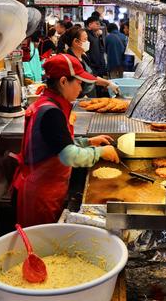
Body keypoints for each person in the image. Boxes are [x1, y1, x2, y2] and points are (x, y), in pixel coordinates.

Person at [9, 54, 120, 227]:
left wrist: (88, 142)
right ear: (63, 81)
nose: (81, 87)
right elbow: (69, 156)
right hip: (40, 195)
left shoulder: (50, 103)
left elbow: (56, 145)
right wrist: (100, 152)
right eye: (78, 82)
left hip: (46, 189)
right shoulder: (51, 111)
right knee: (41, 248)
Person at [61, 26, 119, 97]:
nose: (88, 42)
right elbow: (72, 85)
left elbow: (92, 76)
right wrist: (83, 97)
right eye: (85, 39)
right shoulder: (70, 61)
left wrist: (108, 83)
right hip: (79, 98)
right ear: (76, 42)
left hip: (91, 94)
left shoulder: (83, 56)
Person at [85, 16, 108, 81]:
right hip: (92, 67)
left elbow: (102, 49)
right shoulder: (86, 35)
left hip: (99, 66)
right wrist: (91, 65)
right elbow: (85, 52)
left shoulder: (96, 35)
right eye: (97, 24)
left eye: (99, 24)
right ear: (90, 24)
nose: (99, 25)